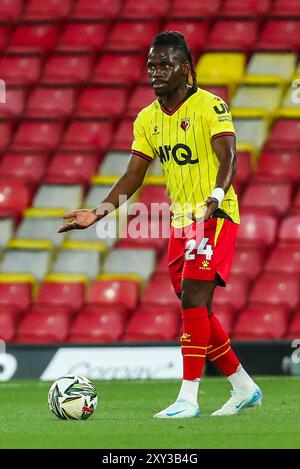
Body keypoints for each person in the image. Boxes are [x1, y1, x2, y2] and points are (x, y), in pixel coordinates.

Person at [58, 32, 263, 418]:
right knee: (195, 309)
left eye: (165, 64)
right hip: (181, 223)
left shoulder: (210, 106)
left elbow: (229, 156)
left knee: (192, 301)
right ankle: (243, 387)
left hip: (214, 216)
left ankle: (188, 398)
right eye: (152, 65)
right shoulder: (148, 119)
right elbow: (133, 175)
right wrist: (96, 213)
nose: (156, 72)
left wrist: (216, 199)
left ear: (186, 69)